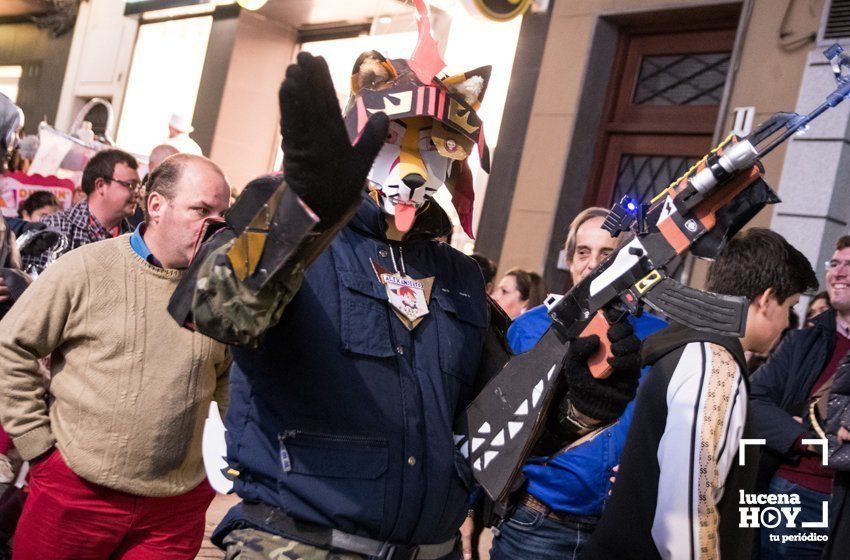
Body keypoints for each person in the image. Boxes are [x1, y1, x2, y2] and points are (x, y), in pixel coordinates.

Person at [169, 46, 641, 560]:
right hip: (301, 545)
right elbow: (215, 310)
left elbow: (498, 426)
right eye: (391, 139)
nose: (415, 166)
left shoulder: (459, 276)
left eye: (436, 146)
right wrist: (303, 214)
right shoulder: (291, 230)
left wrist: (583, 402)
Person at [0, 154, 232, 560]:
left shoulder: (226, 294)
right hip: (76, 492)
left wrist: (221, 473)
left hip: (172, 512)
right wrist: (38, 446)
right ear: (156, 206)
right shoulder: (85, 269)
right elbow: (11, 345)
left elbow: (233, 383)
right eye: (201, 209)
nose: (215, 224)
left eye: (222, 213)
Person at [581, 228, 818, 560]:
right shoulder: (715, 363)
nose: (786, 324)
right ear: (765, 299)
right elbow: (685, 519)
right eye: (789, 306)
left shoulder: (695, 346)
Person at [489, 206, 665, 560]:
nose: (594, 264)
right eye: (583, 252)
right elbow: (496, 424)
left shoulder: (661, 338)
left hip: (619, 533)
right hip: (535, 526)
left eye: (608, 254)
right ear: (568, 260)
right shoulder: (530, 329)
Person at [748, 234, 850, 558]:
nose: (839, 273)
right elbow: (750, 400)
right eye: (835, 264)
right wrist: (806, 440)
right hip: (794, 492)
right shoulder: (801, 342)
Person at [21, 148, 141, 272]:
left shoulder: (133, 242)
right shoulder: (53, 228)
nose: (138, 194)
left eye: (139, 187)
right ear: (100, 186)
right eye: (131, 185)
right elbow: (34, 285)